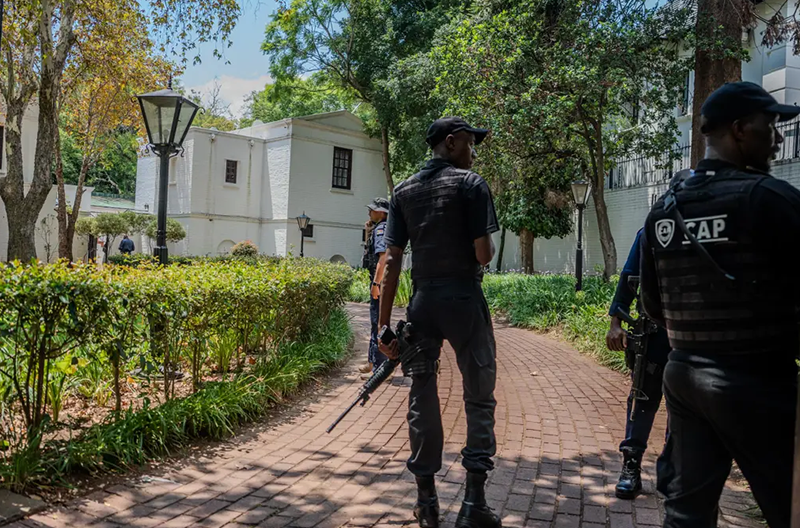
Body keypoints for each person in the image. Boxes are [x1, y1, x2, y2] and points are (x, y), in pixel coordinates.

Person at [640, 81, 800, 528]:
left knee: (686, 513)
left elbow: (653, 306)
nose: (778, 137)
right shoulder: (769, 199)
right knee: (790, 507)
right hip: (757, 383)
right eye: (770, 125)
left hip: (687, 378)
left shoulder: (664, 210)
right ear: (740, 129)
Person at [378, 117, 501, 528]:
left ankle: (427, 502)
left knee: (422, 392)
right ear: (451, 143)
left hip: (423, 303)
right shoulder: (471, 185)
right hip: (464, 299)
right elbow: (484, 255)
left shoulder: (403, 190)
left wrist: (383, 327)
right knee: (479, 395)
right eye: (470, 142)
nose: (473, 150)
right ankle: (473, 504)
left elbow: (391, 259)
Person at [606, 227, 671, 500]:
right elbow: (630, 276)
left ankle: (674, 470)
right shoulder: (655, 228)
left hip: (697, 332)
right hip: (656, 331)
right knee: (642, 396)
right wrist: (615, 321)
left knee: (688, 406)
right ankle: (631, 465)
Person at [361, 197, 390, 377]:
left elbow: (383, 258)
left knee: (379, 325)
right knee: (374, 323)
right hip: (379, 281)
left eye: (373, 209)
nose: (370, 212)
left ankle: (380, 368)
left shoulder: (382, 229)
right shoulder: (379, 228)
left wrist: (376, 284)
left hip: (380, 283)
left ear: (382, 213)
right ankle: (373, 362)